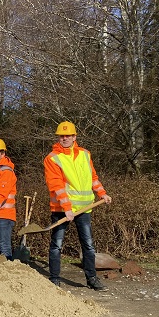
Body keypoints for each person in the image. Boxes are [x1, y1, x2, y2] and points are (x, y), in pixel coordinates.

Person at [44, 121, 112, 290]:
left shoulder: (85, 154)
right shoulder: (52, 158)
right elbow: (57, 186)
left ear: (75, 136)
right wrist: (67, 208)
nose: (65, 138)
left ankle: (92, 279)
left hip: (84, 208)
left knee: (88, 245)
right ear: (58, 137)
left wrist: (102, 193)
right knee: (57, 245)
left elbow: (93, 178)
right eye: (62, 136)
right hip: (62, 210)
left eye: (68, 135)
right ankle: (54, 279)